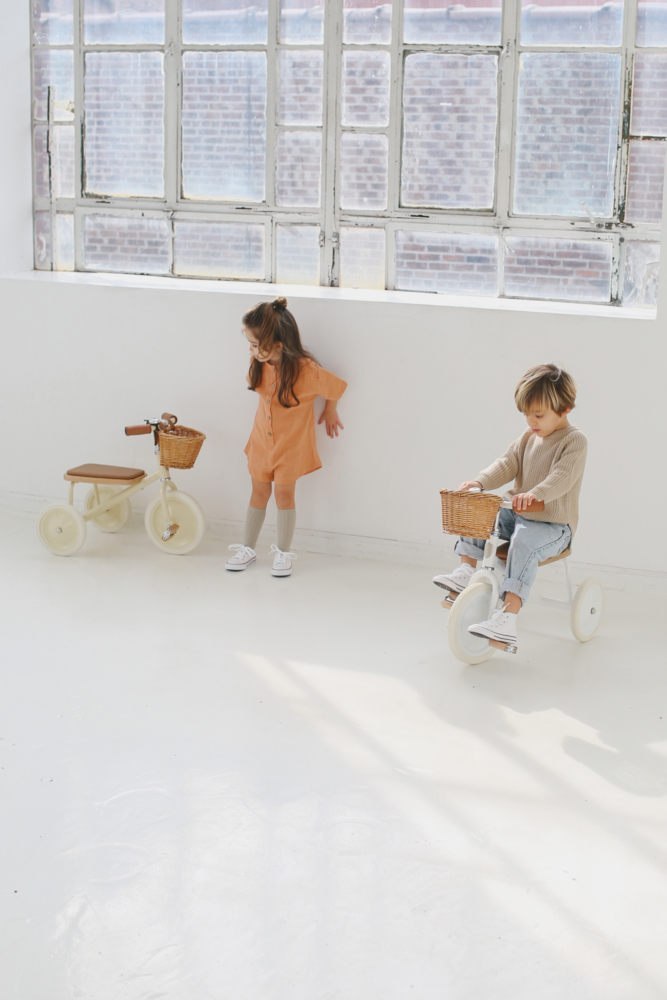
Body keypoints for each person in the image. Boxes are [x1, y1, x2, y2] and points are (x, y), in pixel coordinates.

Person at [433, 363, 587, 650]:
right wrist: (479, 482)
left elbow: (562, 478)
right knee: (479, 511)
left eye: (538, 415)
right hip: (517, 514)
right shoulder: (528, 437)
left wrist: (535, 494)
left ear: (565, 409)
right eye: (527, 414)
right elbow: (506, 463)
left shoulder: (574, 441)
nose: (531, 421)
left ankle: (507, 617)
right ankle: (465, 572)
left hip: (553, 525)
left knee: (524, 541)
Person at [226, 297, 347, 578]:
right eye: (250, 344)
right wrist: (257, 350)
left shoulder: (307, 371)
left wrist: (330, 409)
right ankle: (247, 548)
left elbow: (338, 387)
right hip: (261, 443)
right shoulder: (260, 364)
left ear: (279, 345)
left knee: (284, 495)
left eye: (255, 345)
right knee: (258, 492)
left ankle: (283, 551)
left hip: (290, 447)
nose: (251, 350)